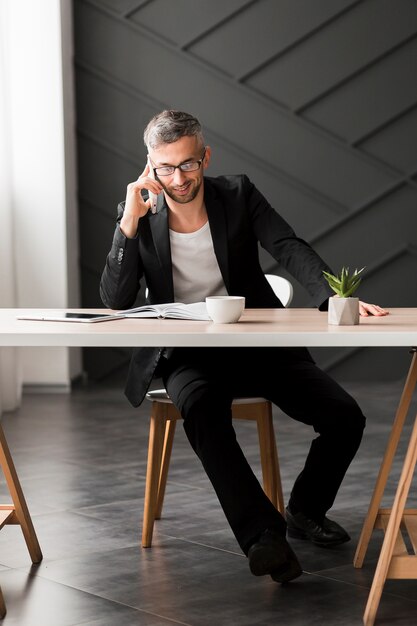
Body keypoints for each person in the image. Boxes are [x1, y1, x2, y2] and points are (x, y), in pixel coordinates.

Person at [100, 110, 388, 583]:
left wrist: (336, 294)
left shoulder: (237, 193)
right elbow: (114, 300)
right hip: (187, 353)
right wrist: (128, 221)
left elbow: (288, 245)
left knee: (345, 416)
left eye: (188, 164)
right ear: (150, 166)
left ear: (205, 157)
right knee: (204, 415)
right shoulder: (139, 213)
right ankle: (263, 537)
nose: (179, 178)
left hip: (259, 344)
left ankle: (305, 509)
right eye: (166, 168)